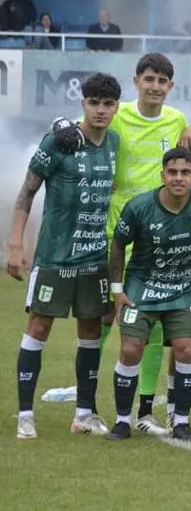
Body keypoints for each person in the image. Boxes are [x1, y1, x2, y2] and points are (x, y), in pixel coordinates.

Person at [49, 53, 191, 436]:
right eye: (148, 78)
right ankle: (84, 399)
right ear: (136, 81)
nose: (154, 86)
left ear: (171, 86)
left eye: (162, 80)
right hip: (112, 229)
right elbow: (77, 127)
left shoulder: (177, 122)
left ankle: (146, 408)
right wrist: (60, 124)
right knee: (101, 316)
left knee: (150, 323)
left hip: (158, 236)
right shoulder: (117, 115)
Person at [10, 73, 122, 440]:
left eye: (107, 104)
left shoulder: (114, 143)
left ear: (116, 107)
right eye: (94, 102)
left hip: (94, 258)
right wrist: (15, 244)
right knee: (39, 328)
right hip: (55, 257)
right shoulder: (59, 141)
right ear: (83, 104)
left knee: (91, 330)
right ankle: (26, 415)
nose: (101, 110)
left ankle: (85, 414)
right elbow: (27, 193)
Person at [106, 148, 191, 441]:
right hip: (141, 288)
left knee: (186, 348)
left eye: (185, 173)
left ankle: (182, 422)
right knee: (132, 348)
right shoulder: (139, 207)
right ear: (162, 175)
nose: (178, 178)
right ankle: (122, 421)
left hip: (183, 289)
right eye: (172, 172)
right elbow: (119, 246)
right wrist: (117, 291)